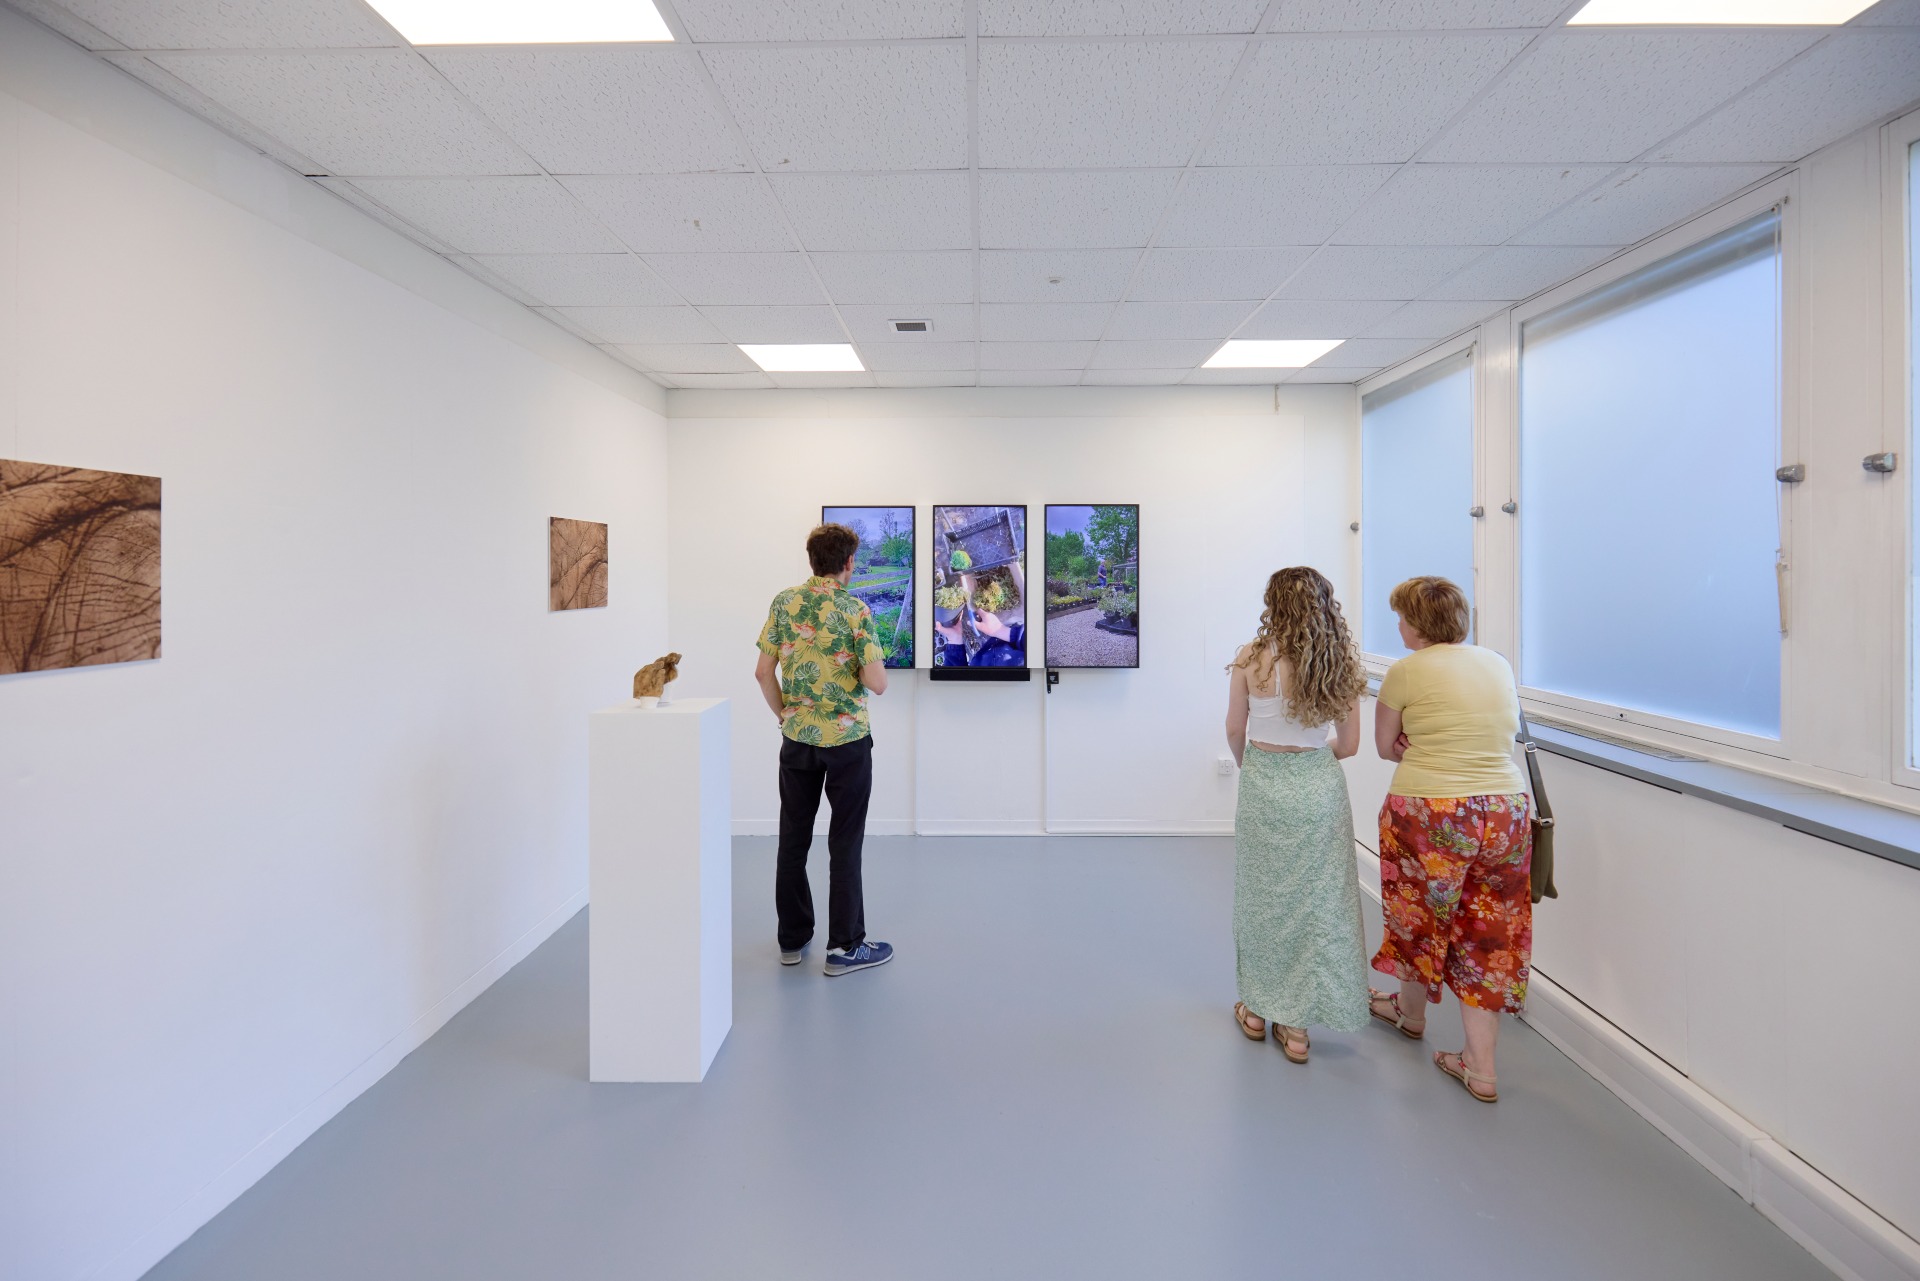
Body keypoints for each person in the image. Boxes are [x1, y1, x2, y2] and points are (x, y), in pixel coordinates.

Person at [1367, 576, 1532, 1103]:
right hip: (1505, 810)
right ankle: (1480, 1067)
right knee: (1490, 935)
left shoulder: (1406, 670)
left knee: (1419, 914)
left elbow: (1386, 748)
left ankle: (1410, 1014)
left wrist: (1412, 742)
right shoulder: (1497, 663)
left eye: (1401, 617)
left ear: (1417, 623)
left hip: (1430, 810)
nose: (1398, 625)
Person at [1223, 567, 1370, 1064]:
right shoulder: (1340, 663)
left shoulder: (1250, 657)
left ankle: (1259, 1010)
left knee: (1262, 900)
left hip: (1265, 782)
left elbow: (1233, 730)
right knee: (1314, 905)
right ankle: (1298, 1028)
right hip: (1318, 788)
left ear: (1273, 604)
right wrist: (1311, 751)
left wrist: (1253, 767)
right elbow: (1347, 746)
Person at [754, 523, 893, 977]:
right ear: (849, 562)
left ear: (812, 559)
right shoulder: (856, 609)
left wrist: (785, 715)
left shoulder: (784, 602)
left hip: (798, 741)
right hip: (848, 743)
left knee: (793, 840)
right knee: (844, 842)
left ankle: (792, 942)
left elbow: (762, 673)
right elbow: (877, 683)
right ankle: (845, 948)